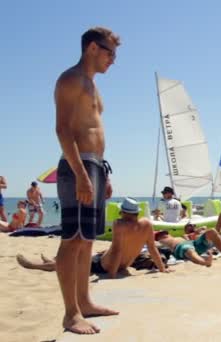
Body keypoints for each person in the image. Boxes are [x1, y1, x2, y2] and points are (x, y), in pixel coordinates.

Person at [53, 27, 120, 334]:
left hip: (95, 166)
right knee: (73, 239)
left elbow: (94, 129)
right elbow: (64, 131)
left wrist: (102, 173)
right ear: (92, 47)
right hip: (77, 166)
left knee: (88, 238)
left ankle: (85, 301)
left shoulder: (92, 86)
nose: (113, 60)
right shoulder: (71, 79)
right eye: (110, 52)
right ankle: (70, 314)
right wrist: (81, 174)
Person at [16, 198, 170, 277]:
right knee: (90, 255)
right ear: (137, 212)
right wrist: (162, 269)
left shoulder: (120, 224)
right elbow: (152, 248)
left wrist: (111, 274)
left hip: (104, 266)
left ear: (123, 212)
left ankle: (34, 266)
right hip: (117, 264)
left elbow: (116, 250)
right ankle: (50, 261)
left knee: (70, 264)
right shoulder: (147, 224)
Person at [155, 226, 221, 265]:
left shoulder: (178, 236)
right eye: (161, 234)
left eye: (165, 233)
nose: (165, 234)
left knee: (212, 231)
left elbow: (193, 235)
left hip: (193, 243)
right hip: (180, 247)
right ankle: (204, 262)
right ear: (158, 237)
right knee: (188, 250)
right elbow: (153, 246)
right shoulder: (161, 241)